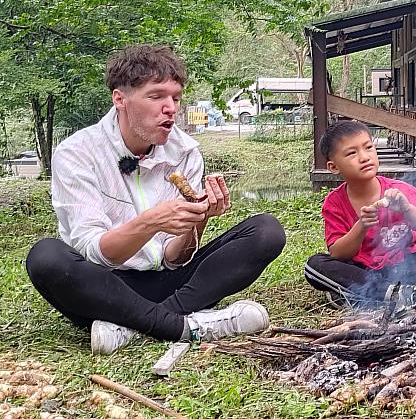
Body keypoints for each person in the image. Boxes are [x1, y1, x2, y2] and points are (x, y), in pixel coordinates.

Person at [25, 44, 286, 355]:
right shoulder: (77, 153)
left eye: (175, 97)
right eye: (156, 96)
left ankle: (134, 329)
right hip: (106, 289)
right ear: (119, 99)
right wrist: (150, 222)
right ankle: (187, 327)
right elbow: (94, 253)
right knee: (46, 257)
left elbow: (175, 258)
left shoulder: (185, 152)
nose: (171, 107)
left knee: (266, 231)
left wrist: (197, 218)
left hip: (167, 282)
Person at [304, 121, 416, 308]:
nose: (364, 157)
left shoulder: (402, 191)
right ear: (333, 167)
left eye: (368, 147)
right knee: (315, 265)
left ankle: (359, 294)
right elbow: (338, 254)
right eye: (351, 153)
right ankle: (397, 293)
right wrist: (361, 226)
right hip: (360, 271)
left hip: (404, 267)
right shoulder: (335, 202)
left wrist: (407, 210)